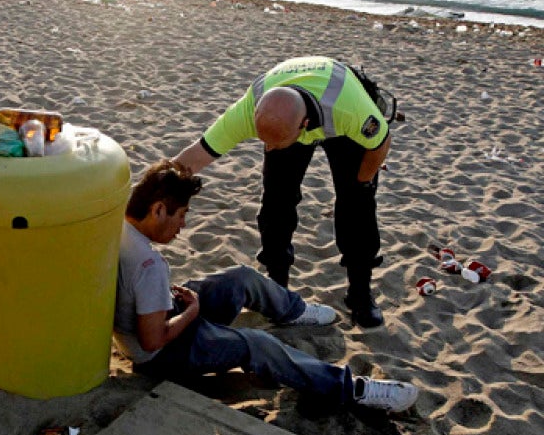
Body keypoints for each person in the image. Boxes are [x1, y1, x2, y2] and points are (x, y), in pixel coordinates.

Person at [116, 160, 419, 412]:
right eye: (181, 215)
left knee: (241, 278)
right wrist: (192, 312)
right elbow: (153, 341)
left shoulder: (115, 226)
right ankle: (353, 389)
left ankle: (293, 310)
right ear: (157, 210)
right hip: (161, 355)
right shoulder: (148, 266)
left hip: (158, 313)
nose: (182, 225)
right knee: (258, 344)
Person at [172, 56, 392, 328]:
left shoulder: (351, 111)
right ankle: (277, 289)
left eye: (277, 143)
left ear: (305, 125)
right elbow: (196, 155)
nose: (271, 149)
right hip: (287, 117)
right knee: (276, 203)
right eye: (266, 142)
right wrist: (153, 184)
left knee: (357, 204)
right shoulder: (250, 109)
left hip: (339, 119)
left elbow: (380, 142)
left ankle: (359, 293)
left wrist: (363, 181)